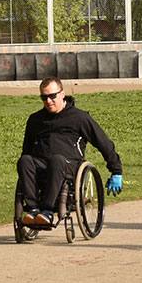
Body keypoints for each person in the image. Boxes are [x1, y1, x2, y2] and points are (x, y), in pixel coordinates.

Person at [17, 77, 124, 226]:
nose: (48, 101)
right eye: (44, 97)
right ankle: (33, 209)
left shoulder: (79, 118)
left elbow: (103, 143)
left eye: (52, 96)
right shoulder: (35, 120)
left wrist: (116, 171)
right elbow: (26, 149)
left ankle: (47, 211)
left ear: (62, 94)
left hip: (69, 165)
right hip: (41, 163)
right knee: (25, 160)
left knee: (57, 160)